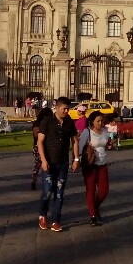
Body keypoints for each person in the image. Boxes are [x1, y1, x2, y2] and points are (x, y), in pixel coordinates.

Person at [37, 97, 80, 232]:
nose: (66, 111)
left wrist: (76, 159)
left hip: (63, 162)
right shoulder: (47, 121)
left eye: (68, 109)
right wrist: (43, 160)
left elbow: (74, 141)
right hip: (49, 162)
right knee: (47, 191)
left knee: (59, 193)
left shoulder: (69, 122)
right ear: (57, 107)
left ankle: (56, 220)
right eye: (64, 109)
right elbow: (40, 142)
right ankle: (43, 215)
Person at [79, 111, 111, 226]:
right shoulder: (87, 132)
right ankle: (93, 216)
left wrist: (109, 145)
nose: (101, 123)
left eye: (102, 120)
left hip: (103, 163)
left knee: (104, 190)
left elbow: (105, 144)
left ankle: (95, 207)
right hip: (90, 165)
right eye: (98, 121)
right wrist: (78, 160)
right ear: (92, 121)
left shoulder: (105, 131)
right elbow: (80, 148)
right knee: (91, 190)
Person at [30, 108, 54, 190]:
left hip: (48, 145)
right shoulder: (37, 123)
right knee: (38, 164)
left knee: (49, 163)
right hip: (38, 146)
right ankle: (34, 181)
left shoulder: (50, 123)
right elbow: (36, 134)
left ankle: (48, 181)